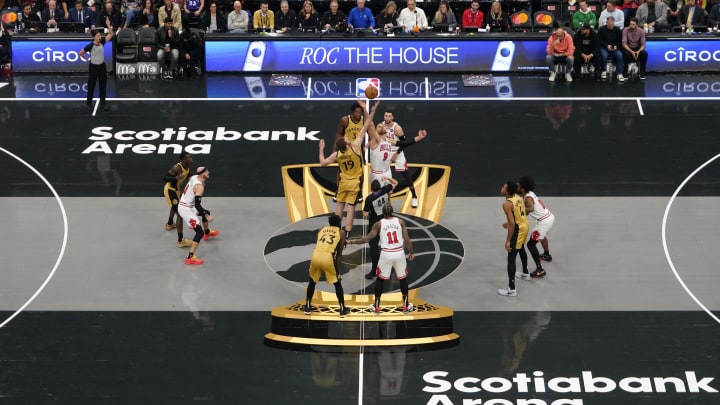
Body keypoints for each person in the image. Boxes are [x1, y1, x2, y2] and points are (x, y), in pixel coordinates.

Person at [320, 100, 378, 238]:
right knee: (351, 208)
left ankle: (334, 229)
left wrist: (321, 149)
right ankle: (347, 232)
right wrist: (371, 110)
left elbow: (322, 162)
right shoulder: (356, 147)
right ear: (347, 143)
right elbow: (367, 125)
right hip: (354, 183)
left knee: (340, 206)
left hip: (343, 183)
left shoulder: (337, 154)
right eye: (346, 139)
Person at [348, 204, 415, 314]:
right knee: (403, 279)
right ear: (393, 212)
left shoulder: (379, 224)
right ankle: (406, 305)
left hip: (386, 254)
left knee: (380, 279)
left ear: (382, 213)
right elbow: (407, 240)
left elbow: (367, 239)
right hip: (399, 252)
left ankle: (377, 306)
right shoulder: (400, 222)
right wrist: (411, 252)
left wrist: (351, 242)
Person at [303, 214, 350, 318]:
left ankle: (307, 306)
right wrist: (338, 271)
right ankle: (342, 309)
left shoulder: (321, 229)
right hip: (328, 257)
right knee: (337, 283)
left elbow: (319, 244)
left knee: (312, 281)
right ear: (339, 223)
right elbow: (339, 254)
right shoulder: (341, 232)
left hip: (315, 255)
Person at [378, 110, 421, 208]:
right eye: (385, 116)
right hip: (386, 150)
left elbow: (404, 143)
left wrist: (396, 154)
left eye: (389, 116)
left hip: (398, 151)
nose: (387, 118)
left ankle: (414, 196)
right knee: (381, 173)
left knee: (406, 175)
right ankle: (382, 196)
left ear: (392, 118)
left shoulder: (397, 128)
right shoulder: (381, 126)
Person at [177, 167, 217, 265]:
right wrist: (207, 216)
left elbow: (190, 181)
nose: (209, 172)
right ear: (202, 174)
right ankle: (190, 257)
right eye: (207, 171)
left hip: (186, 205)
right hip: (186, 210)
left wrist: (205, 213)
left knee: (206, 211)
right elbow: (198, 206)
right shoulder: (199, 187)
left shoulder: (194, 177)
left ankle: (207, 232)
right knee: (199, 233)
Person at [518, 176, 555, 278]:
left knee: (530, 244)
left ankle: (540, 269)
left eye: (519, 184)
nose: (517, 184)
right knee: (541, 236)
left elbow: (530, 208)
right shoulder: (529, 193)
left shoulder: (528, 198)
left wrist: (520, 215)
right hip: (549, 216)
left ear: (522, 188)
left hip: (544, 222)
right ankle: (546, 255)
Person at [362, 177, 398, 279]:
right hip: (387, 221)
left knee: (373, 245)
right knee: (387, 245)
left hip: (375, 225)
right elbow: (395, 182)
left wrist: (368, 212)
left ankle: (374, 271)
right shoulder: (386, 189)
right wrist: (387, 178)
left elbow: (365, 214)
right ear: (380, 187)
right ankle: (392, 266)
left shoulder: (369, 199)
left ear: (371, 189)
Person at [498, 180, 529, 297]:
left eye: (504, 187)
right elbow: (520, 213)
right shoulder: (518, 197)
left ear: (507, 191)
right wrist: (509, 222)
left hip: (518, 229)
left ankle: (511, 289)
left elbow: (512, 224)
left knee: (511, 257)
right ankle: (525, 273)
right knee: (521, 248)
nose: (502, 187)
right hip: (525, 225)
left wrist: (507, 241)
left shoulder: (506, 204)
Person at [80, 23, 113, 112]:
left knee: (103, 86)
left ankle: (103, 104)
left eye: (100, 35)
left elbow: (111, 34)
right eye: (98, 35)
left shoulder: (102, 42)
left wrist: (108, 25)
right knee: (91, 86)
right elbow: (81, 52)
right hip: (93, 67)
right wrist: (87, 59)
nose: (100, 37)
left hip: (102, 67)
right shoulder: (90, 45)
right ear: (94, 37)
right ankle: (89, 104)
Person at [163, 152, 193, 247]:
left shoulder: (187, 167)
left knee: (174, 207)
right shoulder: (177, 167)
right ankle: (181, 241)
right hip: (170, 191)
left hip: (177, 191)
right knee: (180, 214)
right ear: (184, 159)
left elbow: (188, 176)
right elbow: (165, 178)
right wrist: (176, 177)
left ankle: (170, 223)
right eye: (189, 157)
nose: (191, 159)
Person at [598, 15, 626, 81]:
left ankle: (619, 73)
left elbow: (619, 41)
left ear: (614, 23)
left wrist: (616, 46)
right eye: (609, 24)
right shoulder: (601, 29)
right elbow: (599, 40)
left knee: (620, 55)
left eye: (612, 24)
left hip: (615, 48)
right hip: (604, 48)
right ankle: (603, 70)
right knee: (604, 56)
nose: (611, 26)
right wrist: (606, 46)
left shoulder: (617, 30)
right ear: (606, 23)